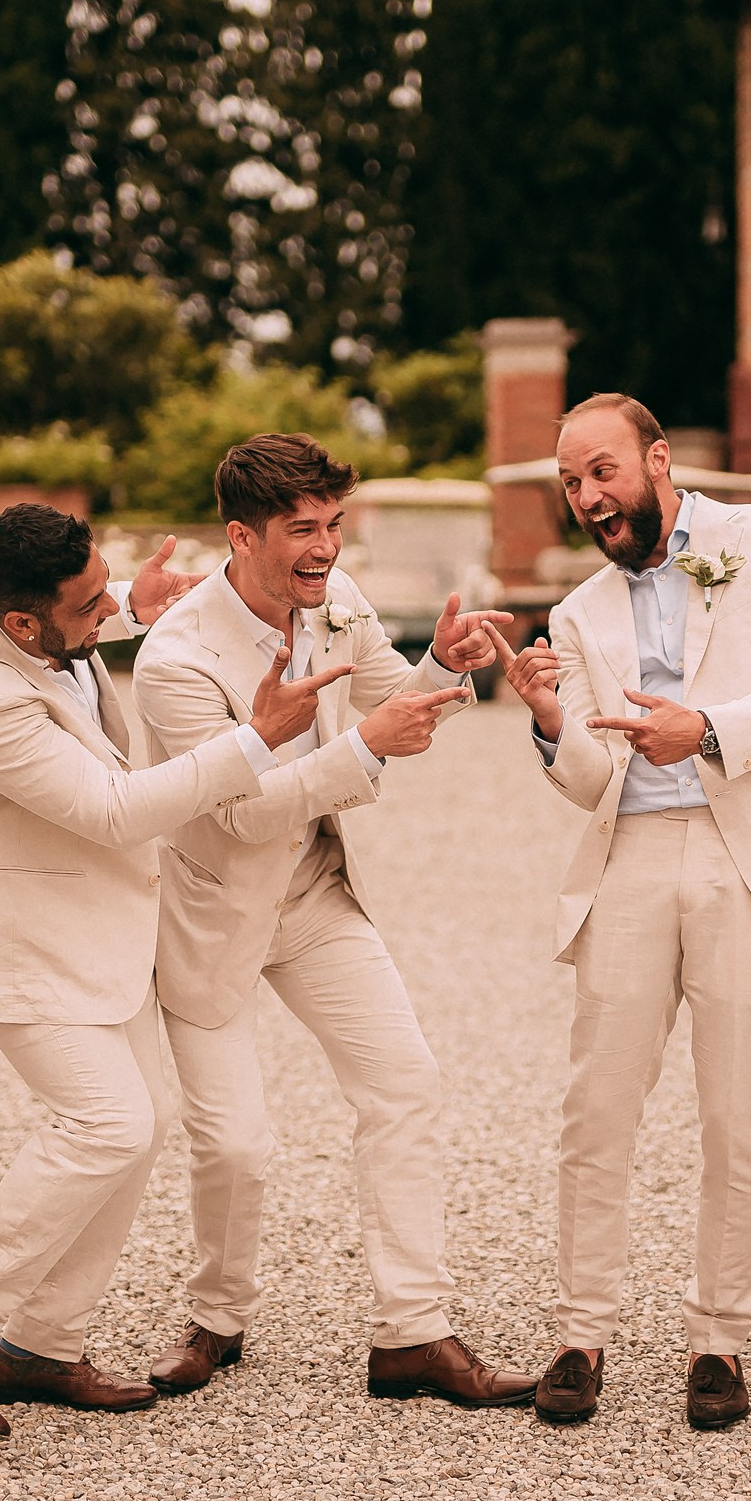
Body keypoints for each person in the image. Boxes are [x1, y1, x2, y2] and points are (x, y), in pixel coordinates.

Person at [0, 505, 351, 1437]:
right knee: (106, 1121)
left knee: (145, 1120)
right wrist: (256, 739)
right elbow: (113, 810)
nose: (110, 611)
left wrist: (136, 597)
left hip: (90, 911)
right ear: (20, 626)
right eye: (90, 604)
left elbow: (95, 614)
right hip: (8, 916)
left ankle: (43, 1346)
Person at [495, 393, 751, 1430]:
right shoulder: (576, 612)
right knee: (596, 1105)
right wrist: (545, 722)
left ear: (658, 460)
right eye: (571, 482)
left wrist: (703, 727)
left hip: (748, 854)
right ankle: (580, 1334)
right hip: (630, 858)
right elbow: (588, 776)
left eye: (603, 472)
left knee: (738, 1107)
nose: (588, 498)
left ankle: (720, 1339)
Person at [132, 434, 536, 1407]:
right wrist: (364, 746)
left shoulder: (336, 598)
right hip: (214, 909)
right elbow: (238, 808)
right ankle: (217, 1318)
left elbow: (393, 703)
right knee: (233, 1145)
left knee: (406, 1085)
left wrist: (442, 661)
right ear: (241, 534)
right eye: (302, 529)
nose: (325, 547)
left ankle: (415, 1334)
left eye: (334, 525)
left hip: (314, 891)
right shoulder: (174, 659)